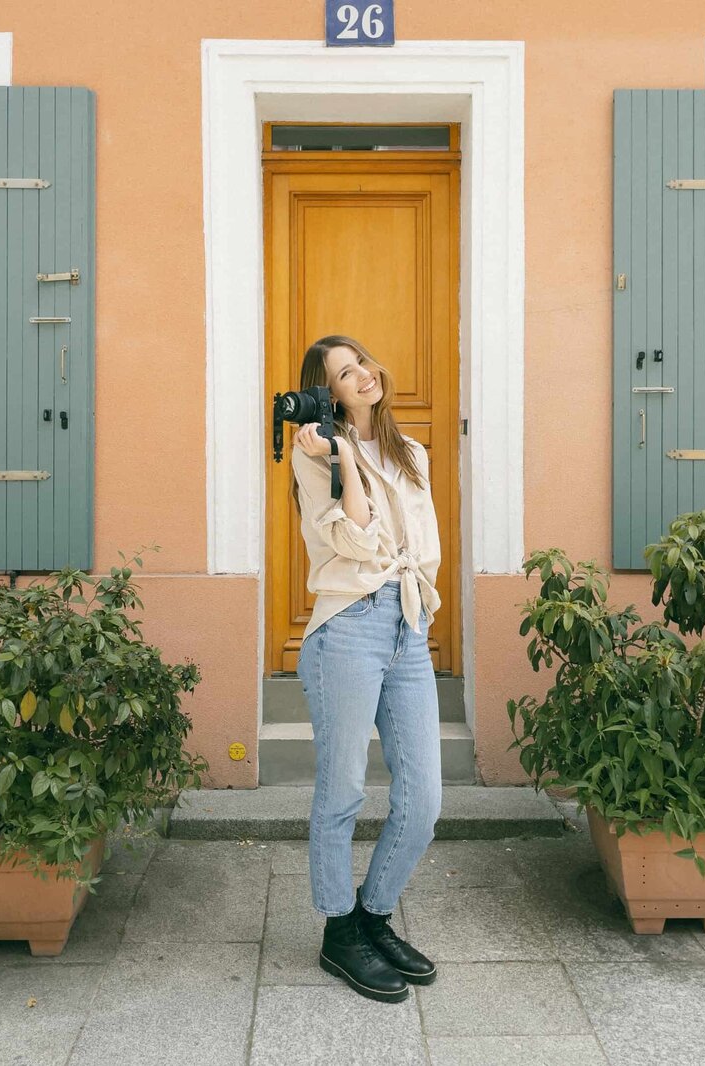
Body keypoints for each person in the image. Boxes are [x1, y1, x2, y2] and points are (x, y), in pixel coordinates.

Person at [290, 334, 442, 1004]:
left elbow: (421, 543)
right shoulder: (312, 454)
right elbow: (353, 538)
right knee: (344, 788)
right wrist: (345, 456)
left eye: (363, 364)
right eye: (343, 374)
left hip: (407, 624)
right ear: (329, 393)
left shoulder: (412, 453)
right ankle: (338, 930)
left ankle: (373, 916)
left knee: (425, 797)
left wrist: (423, 612)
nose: (362, 376)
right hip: (346, 629)